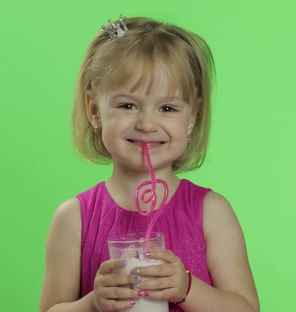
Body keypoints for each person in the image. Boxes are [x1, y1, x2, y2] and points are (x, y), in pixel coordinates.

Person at [39, 14, 259, 312]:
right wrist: (92, 303)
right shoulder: (73, 219)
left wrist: (187, 288)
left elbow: (246, 308)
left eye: (167, 108)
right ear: (94, 111)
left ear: (191, 118)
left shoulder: (211, 212)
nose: (147, 123)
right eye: (128, 105)